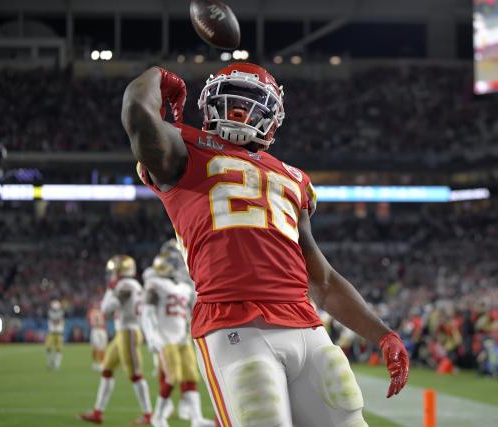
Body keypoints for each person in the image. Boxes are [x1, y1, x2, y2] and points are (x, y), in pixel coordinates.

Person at [122, 63, 409, 427]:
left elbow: (320, 280)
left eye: (253, 99)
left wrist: (383, 334)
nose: (240, 108)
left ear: (272, 116)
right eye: (233, 97)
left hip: (306, 326)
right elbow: (136, 110)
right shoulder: (184, 148)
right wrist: (157, 75)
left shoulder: (294, 179)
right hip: (233, 321)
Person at [141, 253, 215, 427]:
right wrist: (151, 337)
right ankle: (157, 416)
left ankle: (196, 419)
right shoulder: (155, 285)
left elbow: (190, 312)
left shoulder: (184, 287)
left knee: (191, 376)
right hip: (165, 338)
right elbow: (147, 313)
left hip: (182, 337)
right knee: (172, 377)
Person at [79, 255, 153, 425]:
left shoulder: (125, 285)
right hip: (123, 332)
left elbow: (106, 308)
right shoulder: (129, 284)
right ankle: (98, 412)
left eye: (114, 271)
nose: (111, 274)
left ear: (121, 271)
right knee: (107, 369)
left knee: (135, 374)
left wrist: (110, 290)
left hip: (129, 332)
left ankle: (149, 414)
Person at [45, 299, 65, 370]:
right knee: (48, 347)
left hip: (59, 333)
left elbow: (56, 321)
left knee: (59, 349)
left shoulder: (60, 312)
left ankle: (57, 363)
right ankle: (51, 361)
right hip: (52, 332)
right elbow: (55, 320)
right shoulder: (51, 312)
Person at [87, 302, 108, 371]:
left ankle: (99, 363)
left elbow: (89, 320)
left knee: (98, 347)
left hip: (97, 330)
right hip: (100, 329)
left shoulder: (91, 311)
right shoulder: (102, 311)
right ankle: (99, 363)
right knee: (99, 347)